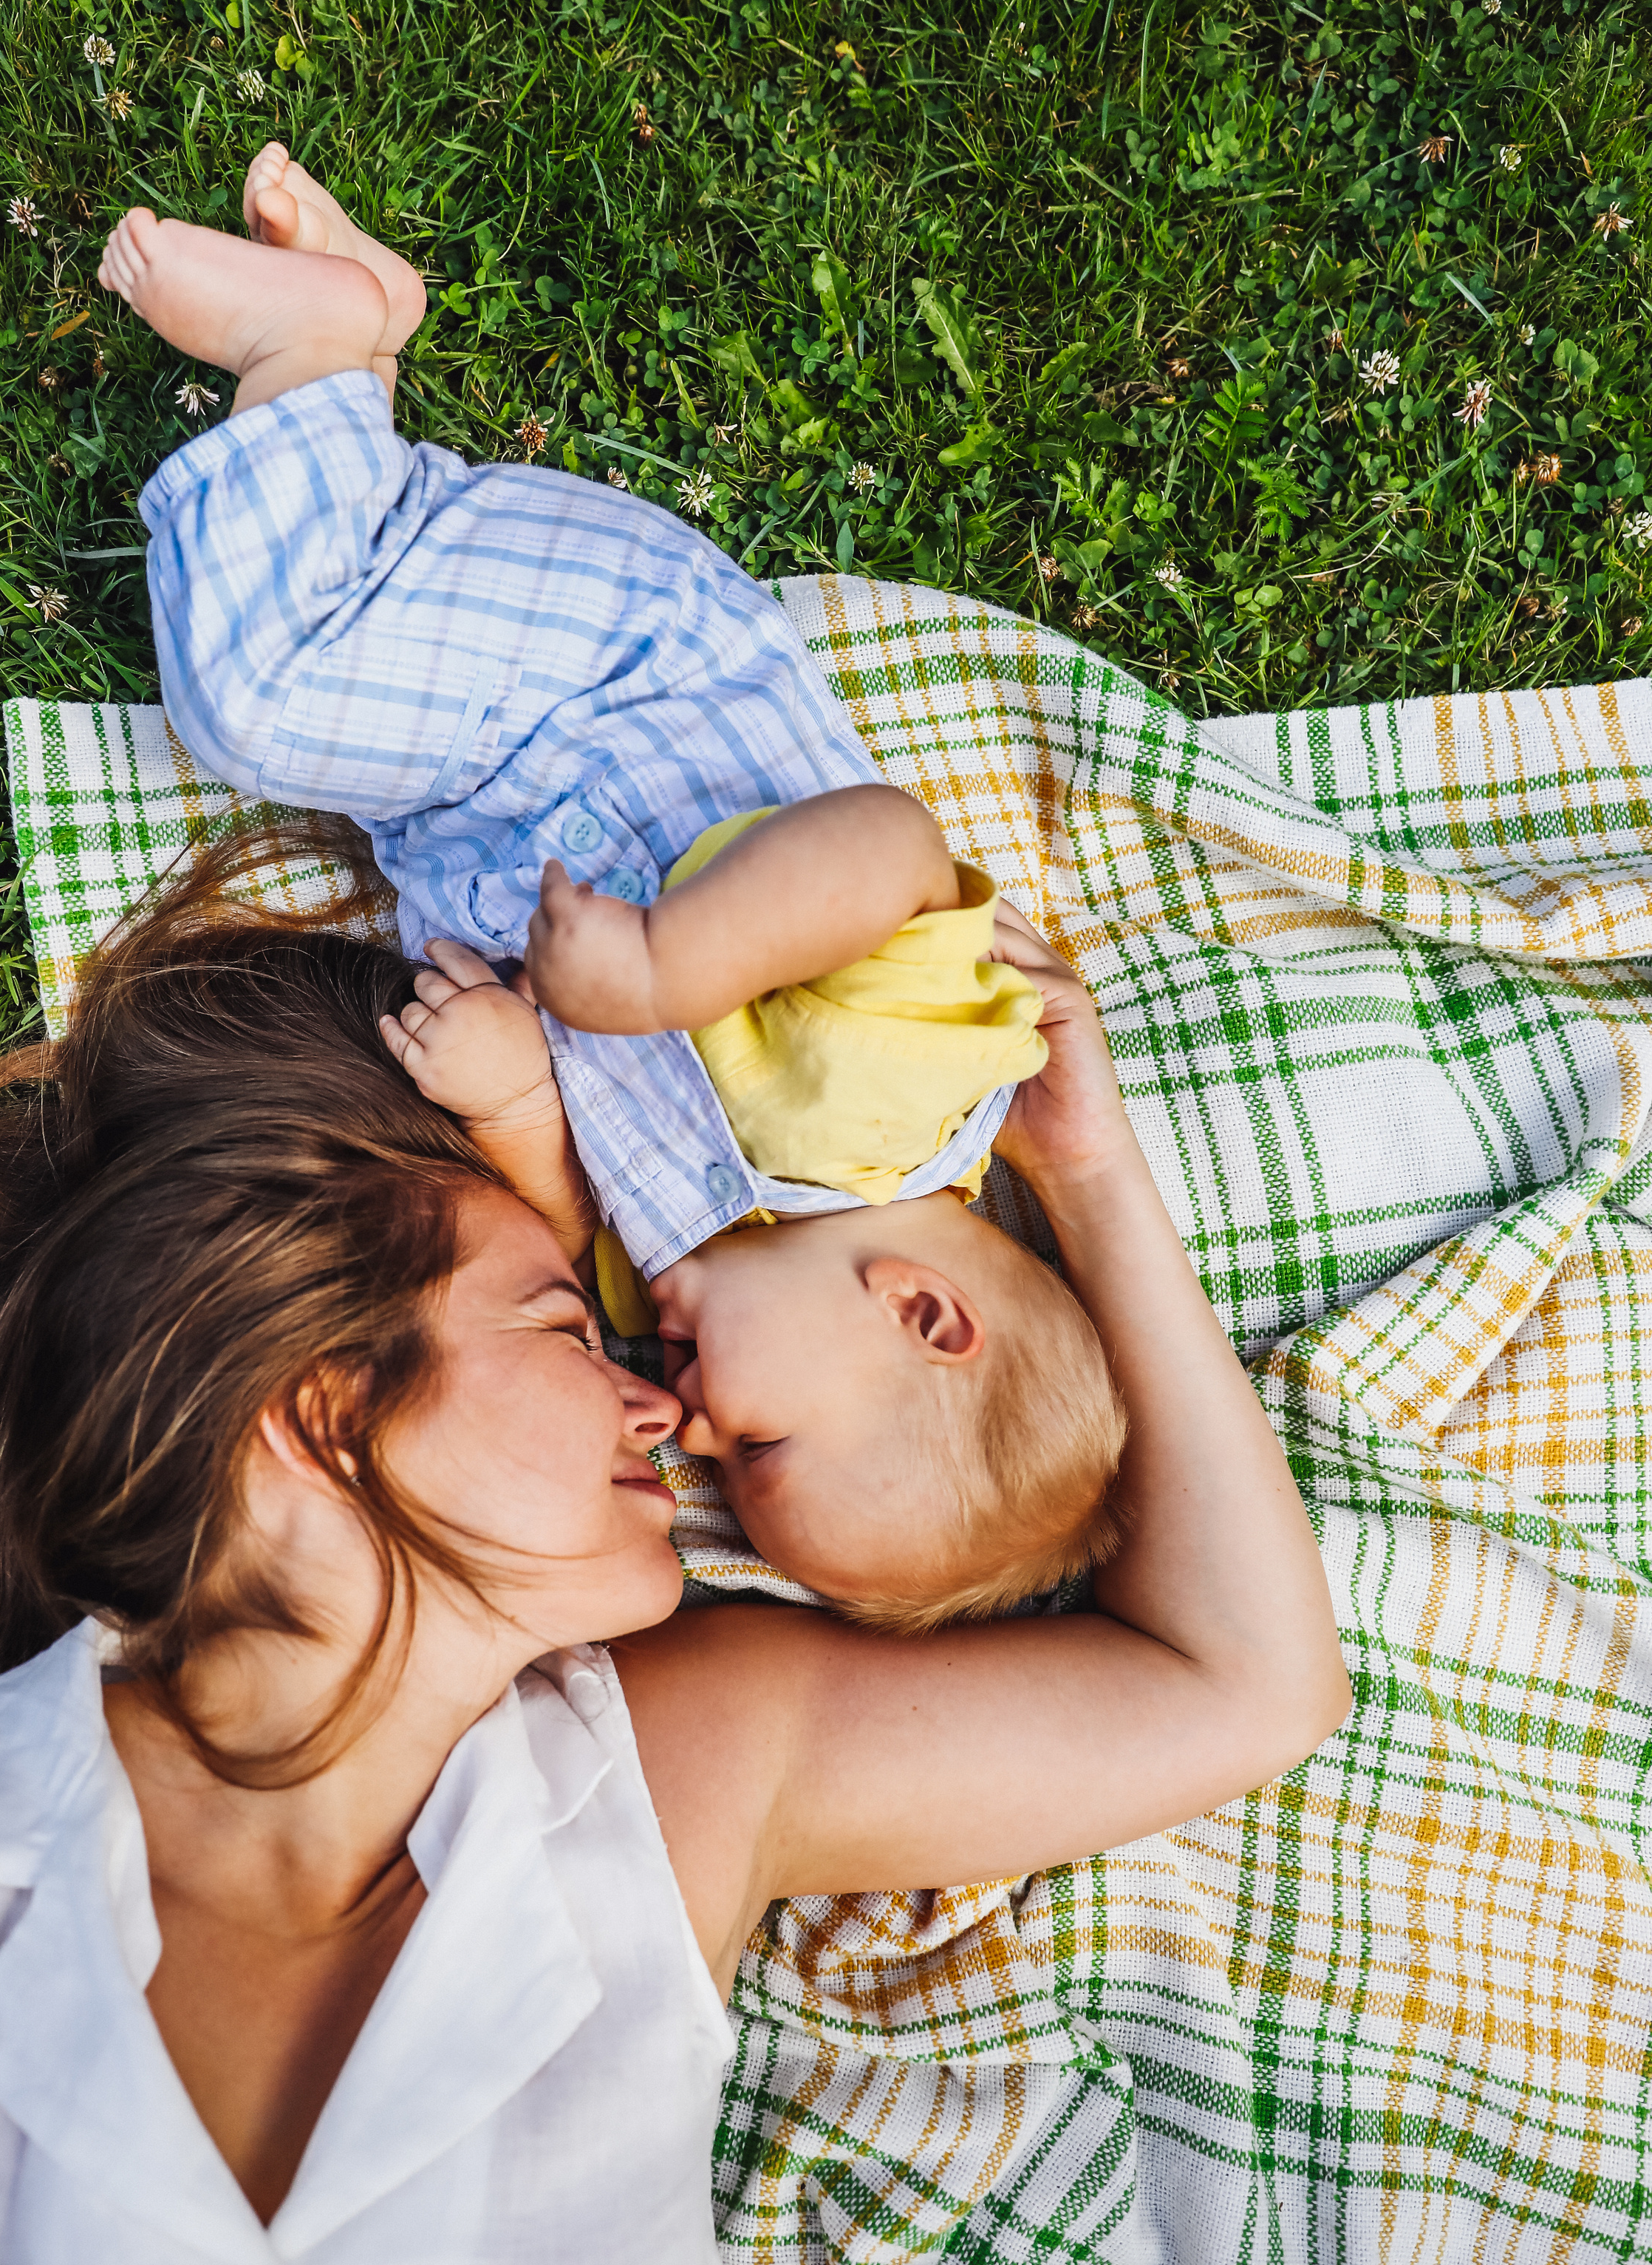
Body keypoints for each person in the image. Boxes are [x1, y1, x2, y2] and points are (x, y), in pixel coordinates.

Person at [0, 839, 1351, 2265]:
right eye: (553, 1323)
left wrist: (1083, 1175)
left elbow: (1242, 1683)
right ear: (320, 1414)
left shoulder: (685, 1765)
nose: (655, 1399)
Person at [99, 159, 1123, 1627]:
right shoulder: (907, 1111)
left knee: (326, 693)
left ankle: (367, 346)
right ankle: (302, 353)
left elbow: (562, 1206)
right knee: (257, 705)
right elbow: (885, 849)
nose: (691, 1434)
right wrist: (662, 972)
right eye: (756, 1447)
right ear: (922, 1312)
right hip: (613, 683)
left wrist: (516, 1094)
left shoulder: (677, 1289)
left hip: (472, 800)